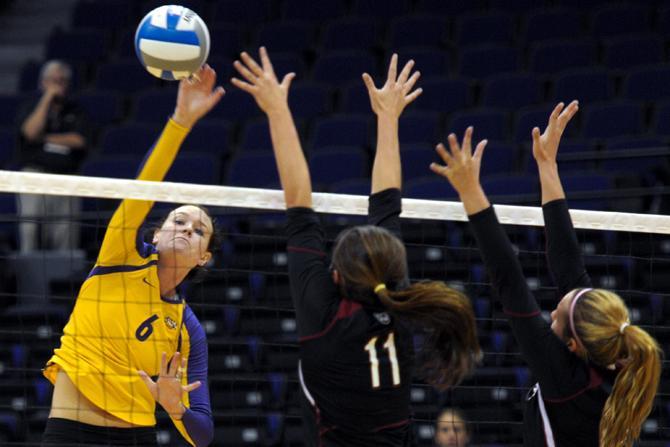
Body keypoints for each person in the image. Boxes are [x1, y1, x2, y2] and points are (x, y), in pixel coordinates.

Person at [232, 47, 481, 446]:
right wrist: (387, 116)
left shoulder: (352, 308)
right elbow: (315, 206)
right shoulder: (396, 298)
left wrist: (277, 109)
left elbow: (371, 204)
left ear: (335, 276)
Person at [430, 102, 662, 447]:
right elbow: (568, 263)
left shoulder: (565, 378)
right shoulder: (600, 361)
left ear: (572, 344)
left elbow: (509, 281)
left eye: (557, 315)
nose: (553, 310)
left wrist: (470, 191)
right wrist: (547, 164)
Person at [41, 65, 225, 447]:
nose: (188, 229)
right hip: (70, 433)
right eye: (179, 220)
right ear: (156, 234)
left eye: (199, 230)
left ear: (204, 257)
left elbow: (203, 435)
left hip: (136, 438)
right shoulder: (119, 256)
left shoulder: (188, 329)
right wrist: (180, 122)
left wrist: (177, 410)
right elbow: (143, 186)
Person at [17, 60, 91, 252]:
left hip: (66, 179)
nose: (57, 85)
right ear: (42, 83)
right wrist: (47, 99)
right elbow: (30, 133)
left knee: (65, 234)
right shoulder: (30, 107)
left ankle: (64, 280)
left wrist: (45, 138)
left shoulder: (77, 110)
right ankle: (28, 279)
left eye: (62, 81)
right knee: (29, 230)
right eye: (52, 81)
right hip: (34, 177)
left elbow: (79, 140)